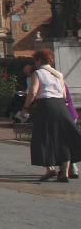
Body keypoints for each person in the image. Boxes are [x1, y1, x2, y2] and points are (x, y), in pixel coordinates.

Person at [20, 49, 81, 182]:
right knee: (63, 138)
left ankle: (50, 169)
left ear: (39, 61)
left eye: (35, 61)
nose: (35, 63)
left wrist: (25, 108)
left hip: (46, 106)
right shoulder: (58, 74)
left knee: (44, 137)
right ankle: (64, 173)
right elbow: (64, 95)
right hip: (61, 106)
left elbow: (33, 92)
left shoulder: (38, 73)